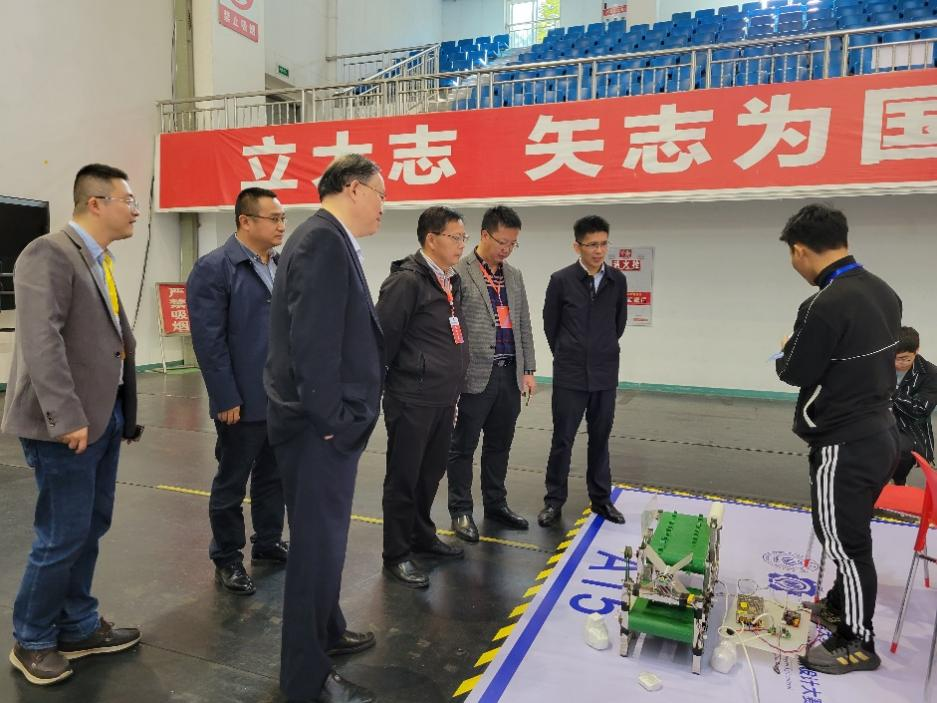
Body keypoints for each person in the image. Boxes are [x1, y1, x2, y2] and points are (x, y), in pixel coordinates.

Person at [2, 163, 144, 685]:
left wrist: (124, 411)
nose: (136, 211)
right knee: (61, 535)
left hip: (102, 416)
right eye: (129, 201)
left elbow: (109, 341)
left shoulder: (98, 259)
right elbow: (42, 342)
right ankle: (32, 638)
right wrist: (66, 416)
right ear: (96, 203)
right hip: (68, 424)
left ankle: (77, 625)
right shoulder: (48, 253)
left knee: (90, 526)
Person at [264, 154, 385, 703]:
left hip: (319, 427)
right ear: (354, 189)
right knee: (316, 552)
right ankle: (305, 680)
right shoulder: (322, 242)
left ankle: (328, 630)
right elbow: (312, 344)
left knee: (327, 544)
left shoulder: (326, 239)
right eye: (380, 194)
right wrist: (332, 421)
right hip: (318, 431)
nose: (383, 206)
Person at [774, 204, 901, 675]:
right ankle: (837, 605)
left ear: (800, 251)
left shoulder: (822, 305)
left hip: (844, 443)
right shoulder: (883, 291)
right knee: (852, 532)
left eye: (792, 256)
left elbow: (794, 372)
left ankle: (858, 640)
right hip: (881, 432)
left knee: (845, 544)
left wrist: (786, 347)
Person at [187, 187, 288, 596]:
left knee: (274, 476)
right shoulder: (215, 268)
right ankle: (227, 557)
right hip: (241, 400)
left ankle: (268, 542)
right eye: (274, 218)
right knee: (232, 482)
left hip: (279, 397)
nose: (281, 226)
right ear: (245, 221)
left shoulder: (279, 264)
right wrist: (225, 396)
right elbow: (208, 341)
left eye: (283, 218)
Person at [376, 205, 471, 589]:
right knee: (404, 477)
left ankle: (421, 535)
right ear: (431, 239)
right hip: (411, 399)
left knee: (430, 474)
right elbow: (382, 342)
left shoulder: (450, 281)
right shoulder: (406, 282)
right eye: (455, 237)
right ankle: (396, 554)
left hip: (443, 399)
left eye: (464, 237)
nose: (462, 244)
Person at [447, 206, 536, 543]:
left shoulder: (514, 275)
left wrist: (528, 369)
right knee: (462, 447)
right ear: (484, 235)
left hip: (508, 375)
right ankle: (460, 510)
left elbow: (523, 323)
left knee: (499, 445)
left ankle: (496, 504)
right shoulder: (459, 271)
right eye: (502, 242)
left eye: (513, 243)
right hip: (474, 376)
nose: (507, 249)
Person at [537, 215, 627, 528]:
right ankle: (553, 501)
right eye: (591, 245)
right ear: (577, 246)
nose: (599, 251)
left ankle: (601, 499)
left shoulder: (617, 280)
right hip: (570, 375)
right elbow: (551, 325)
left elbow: (618, 324)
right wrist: (569, 353)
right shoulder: (561, 280)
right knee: (562, 440)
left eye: (603, 244)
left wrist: (601, 348)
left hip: (604, 374)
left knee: (600, 439)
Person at [892, 326, 937, 485]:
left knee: (903, 451)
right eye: (894, 358)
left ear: (916, 350)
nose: (898, 363)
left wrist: (892, 391)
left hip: (910, 425)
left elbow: (921, 410)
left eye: (904, 358)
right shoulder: (879, 365)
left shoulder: (931, 373)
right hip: (879, 417)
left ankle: (899, 482)